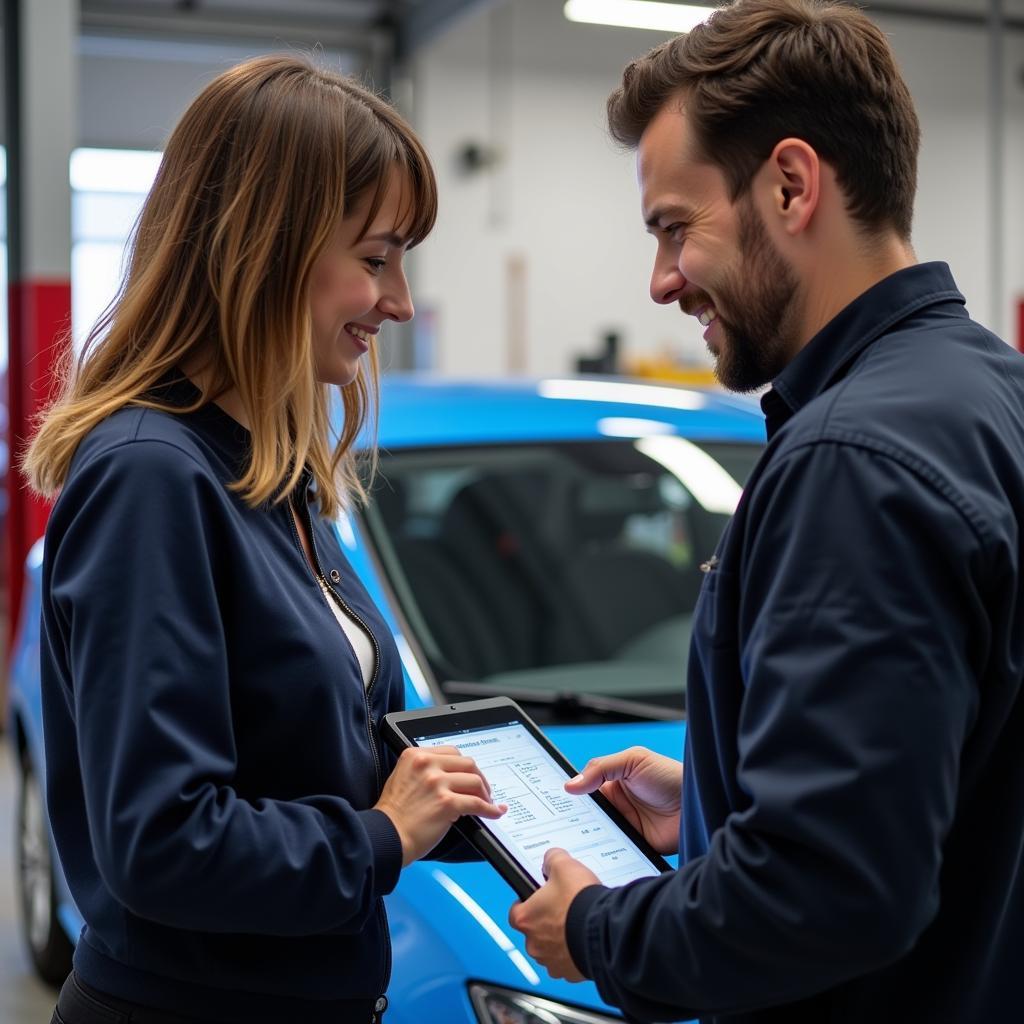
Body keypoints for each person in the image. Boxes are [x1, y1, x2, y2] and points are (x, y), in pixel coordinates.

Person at [508, 1, 1024, 1020]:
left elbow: (829, 892)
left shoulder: (850, 462)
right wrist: (712, 792)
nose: (661, 282)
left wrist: (601, 928)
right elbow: (947, 768)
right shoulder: (987, 392)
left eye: (673, 228)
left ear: (790, 185)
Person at [26, 55, 505, 1024]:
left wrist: (460, 798)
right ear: (266, 249)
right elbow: (164, 842)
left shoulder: (272, 475)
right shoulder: (151, 476)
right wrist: (379, 834)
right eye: (374, 259)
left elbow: (295, 751)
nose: (401, 301)